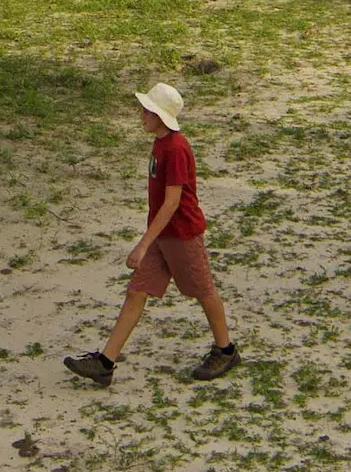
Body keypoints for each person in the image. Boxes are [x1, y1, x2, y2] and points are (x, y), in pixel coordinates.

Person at [64, 84, 239, 387]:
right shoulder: (161, 143)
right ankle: (105, 363)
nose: (142, 115)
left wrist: (143, 244)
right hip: (163, 235)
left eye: (147, 111)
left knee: (203, 290)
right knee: (137, 292)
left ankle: (226, 350)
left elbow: (173, 203)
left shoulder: (175, 148)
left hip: (181, 235)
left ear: (160, 116)